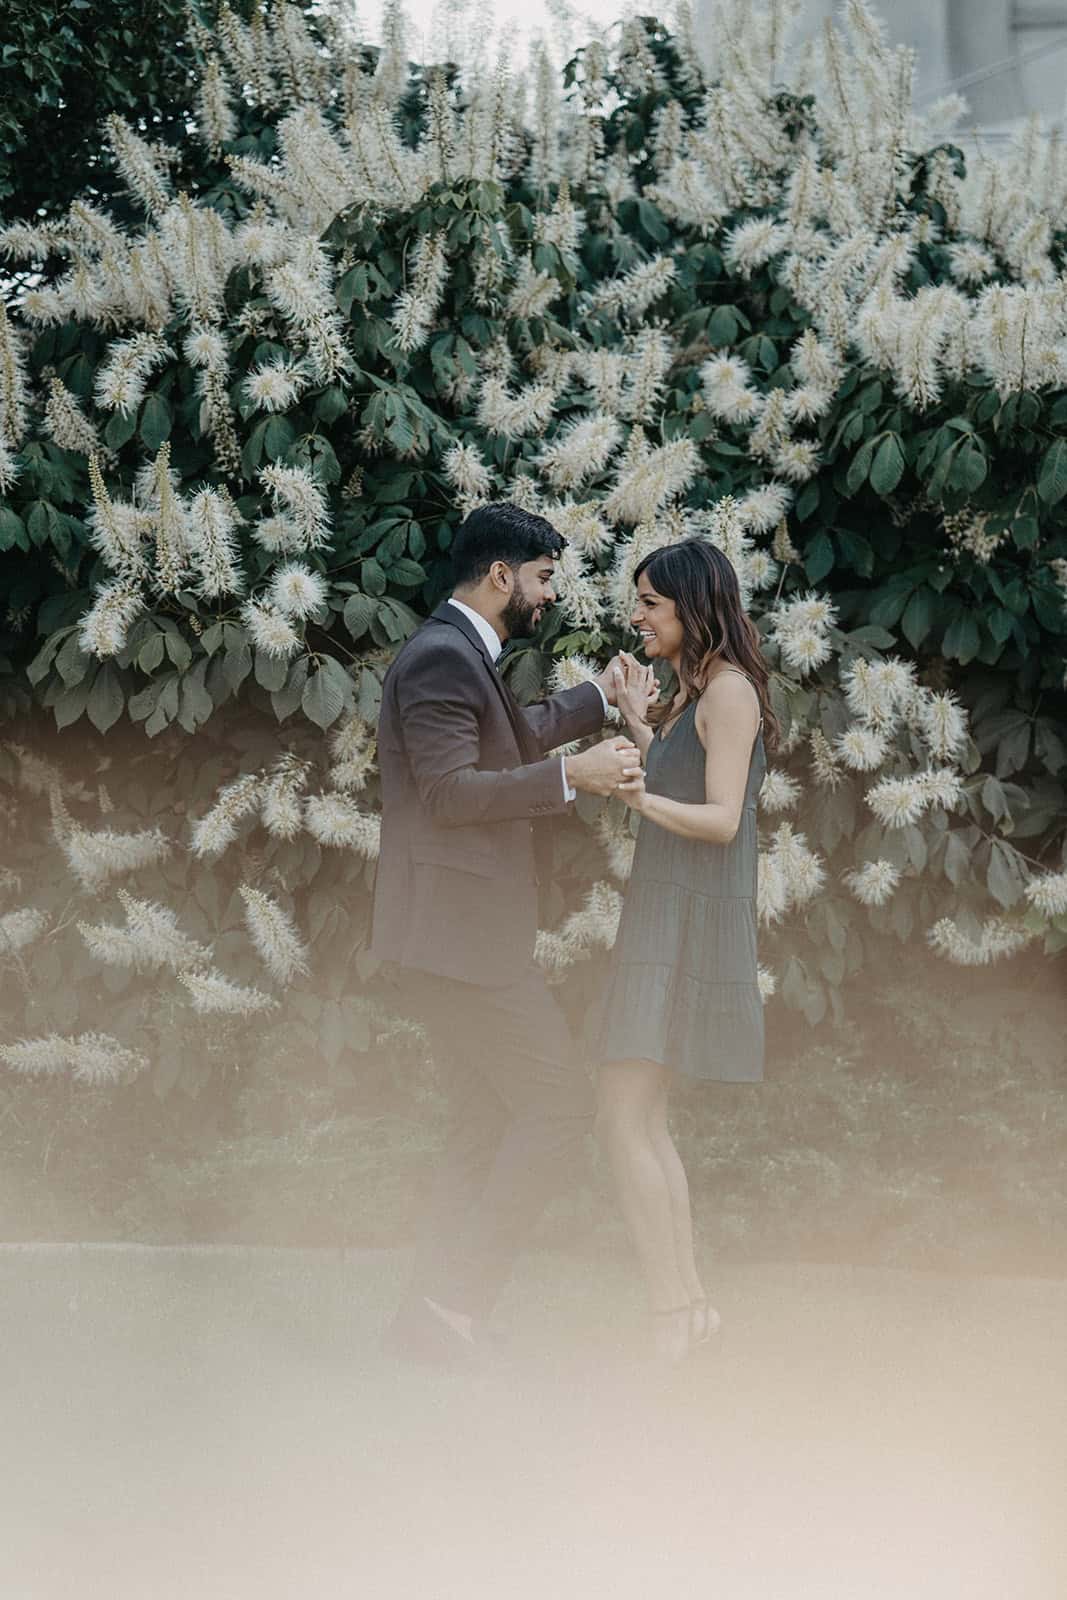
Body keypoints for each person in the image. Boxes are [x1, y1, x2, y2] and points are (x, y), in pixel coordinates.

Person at [371, 501, 640, 1369]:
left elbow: (504, 737)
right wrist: (574, 777)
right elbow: (451, 792)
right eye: (544, 578)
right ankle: (452, 1308)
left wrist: (597, 698)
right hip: (458, 947)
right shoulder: (443, 658)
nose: (548, 595)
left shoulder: (456, 653)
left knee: (485, 1122)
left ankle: (427, 1319)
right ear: (501, 576)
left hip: (451, 941)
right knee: (558, 1107)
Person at [597, 537, 776, 1365]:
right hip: (659, 918)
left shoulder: (730, 693)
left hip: (687, 922)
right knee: (636, 1116)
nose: (634, 615)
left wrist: (634, 798)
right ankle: (685, 1307)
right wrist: (636, 719)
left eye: (650, 603)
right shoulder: (692, 691)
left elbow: (722, 820)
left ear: (692, 609)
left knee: (623, 1113)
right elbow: (678, 781)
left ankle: (677, 1307)